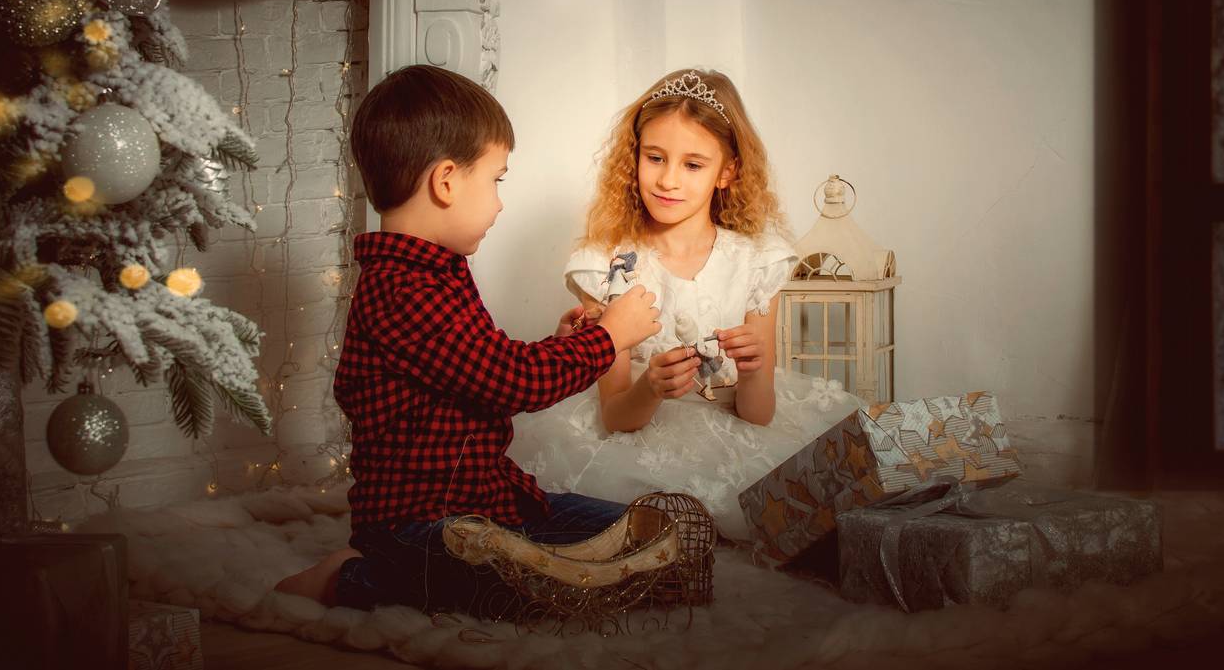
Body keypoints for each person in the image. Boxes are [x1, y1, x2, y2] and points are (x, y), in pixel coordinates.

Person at [274, 64, 661, 615]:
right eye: (496, 180)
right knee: (515, 589)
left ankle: (535, 558)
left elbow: (484, 368)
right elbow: (514, 381)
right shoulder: (402, 290)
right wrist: (608, 337)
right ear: (447, 181)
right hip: (422, 524)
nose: (500, 203)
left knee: (640, 537)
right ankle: (354, 577)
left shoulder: (438, 271)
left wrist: (561, 342)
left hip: (491, 502)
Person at [507, 69, 863, 540]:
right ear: (634, 156)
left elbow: (758, 415)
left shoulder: (757, 261)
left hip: (734, 436)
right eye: (655, 157)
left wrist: (754, 368)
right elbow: (616, 416)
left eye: (693, 165)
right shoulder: (608, 266)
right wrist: (651, 386)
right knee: (654, 527)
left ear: (728, 171)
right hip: (637, 439)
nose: (668, 180)